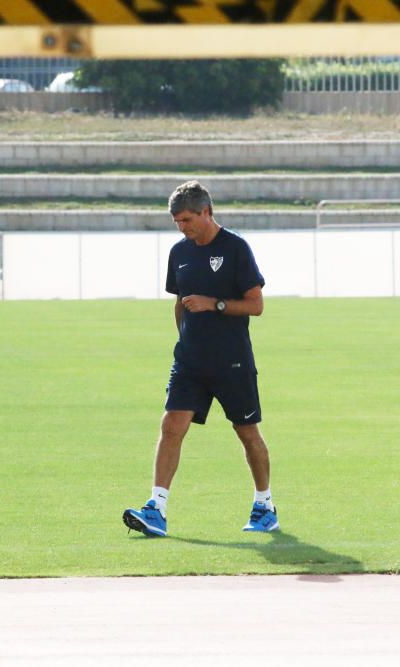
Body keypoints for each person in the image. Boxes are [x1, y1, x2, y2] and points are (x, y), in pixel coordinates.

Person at [122, 180, 278, 538]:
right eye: (177, 222)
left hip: (232, 361)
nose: (182, 227)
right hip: (190, 361)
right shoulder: (180, 252)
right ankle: (156, 508)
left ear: (207, 212)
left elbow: (256, 305)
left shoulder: (236, 248)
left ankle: (265, 505)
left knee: (246, 432)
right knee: (171, 425)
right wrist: (186, 339)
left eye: (188, 219)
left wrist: (215, 304)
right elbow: (179, 302)